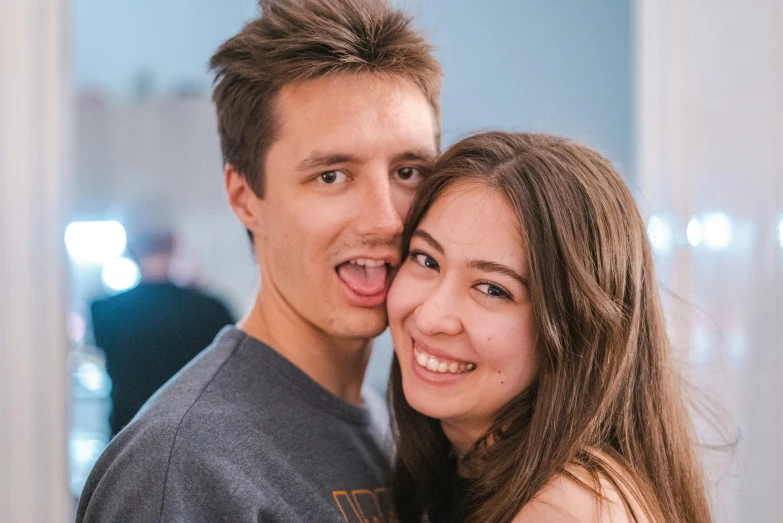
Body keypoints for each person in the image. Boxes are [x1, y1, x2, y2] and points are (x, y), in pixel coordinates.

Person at [76, 0, 441, 521]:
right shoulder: (181, 469)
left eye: (408, 172)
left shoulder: (386, 426)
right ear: (245, 196)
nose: (386, 220)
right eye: (332, 175)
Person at [387, 132, 712, 523]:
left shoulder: (564, 507)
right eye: (426, 259)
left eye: (492, 289)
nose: (429, 317)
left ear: (576, 327)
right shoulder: (468, 470)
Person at [91, 205, 234, 437]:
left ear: (131, 249)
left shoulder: (104, 311)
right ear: (175, 245)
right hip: (193, 439)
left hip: (126, 437)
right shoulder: (211, 309)